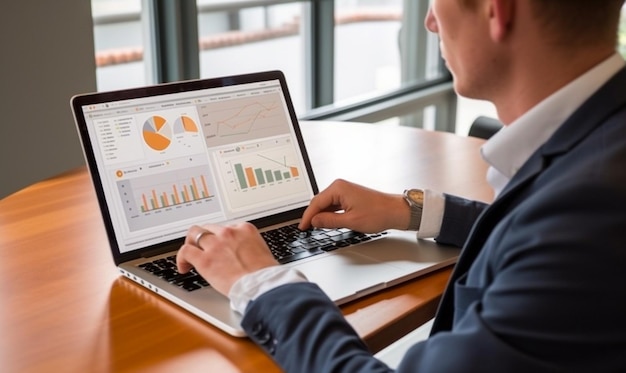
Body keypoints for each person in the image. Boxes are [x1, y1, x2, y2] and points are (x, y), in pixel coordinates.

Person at [177, 0, 626, 371]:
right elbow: (531, 231)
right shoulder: (602, 142)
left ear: (497, 10)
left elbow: (554, 239)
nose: (430, 21)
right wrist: (410, 210)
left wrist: (262, 282)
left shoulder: (590, 213)